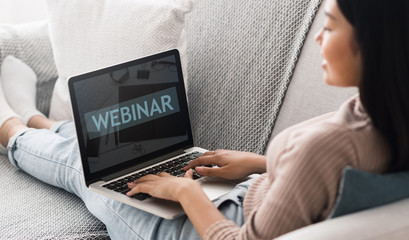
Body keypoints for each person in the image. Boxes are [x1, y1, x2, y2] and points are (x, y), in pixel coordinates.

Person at [0, 0, 408, 239]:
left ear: (371, 45)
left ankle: (10, 129)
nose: (320, 37)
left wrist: (184, 191)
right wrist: (258, 162)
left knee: (88, 171)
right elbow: (337, 175)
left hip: (197, 228)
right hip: (247, 193)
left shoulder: (334, 141)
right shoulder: (383, 115)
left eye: (332, 27)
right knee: (106, 151)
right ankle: (40, 122)